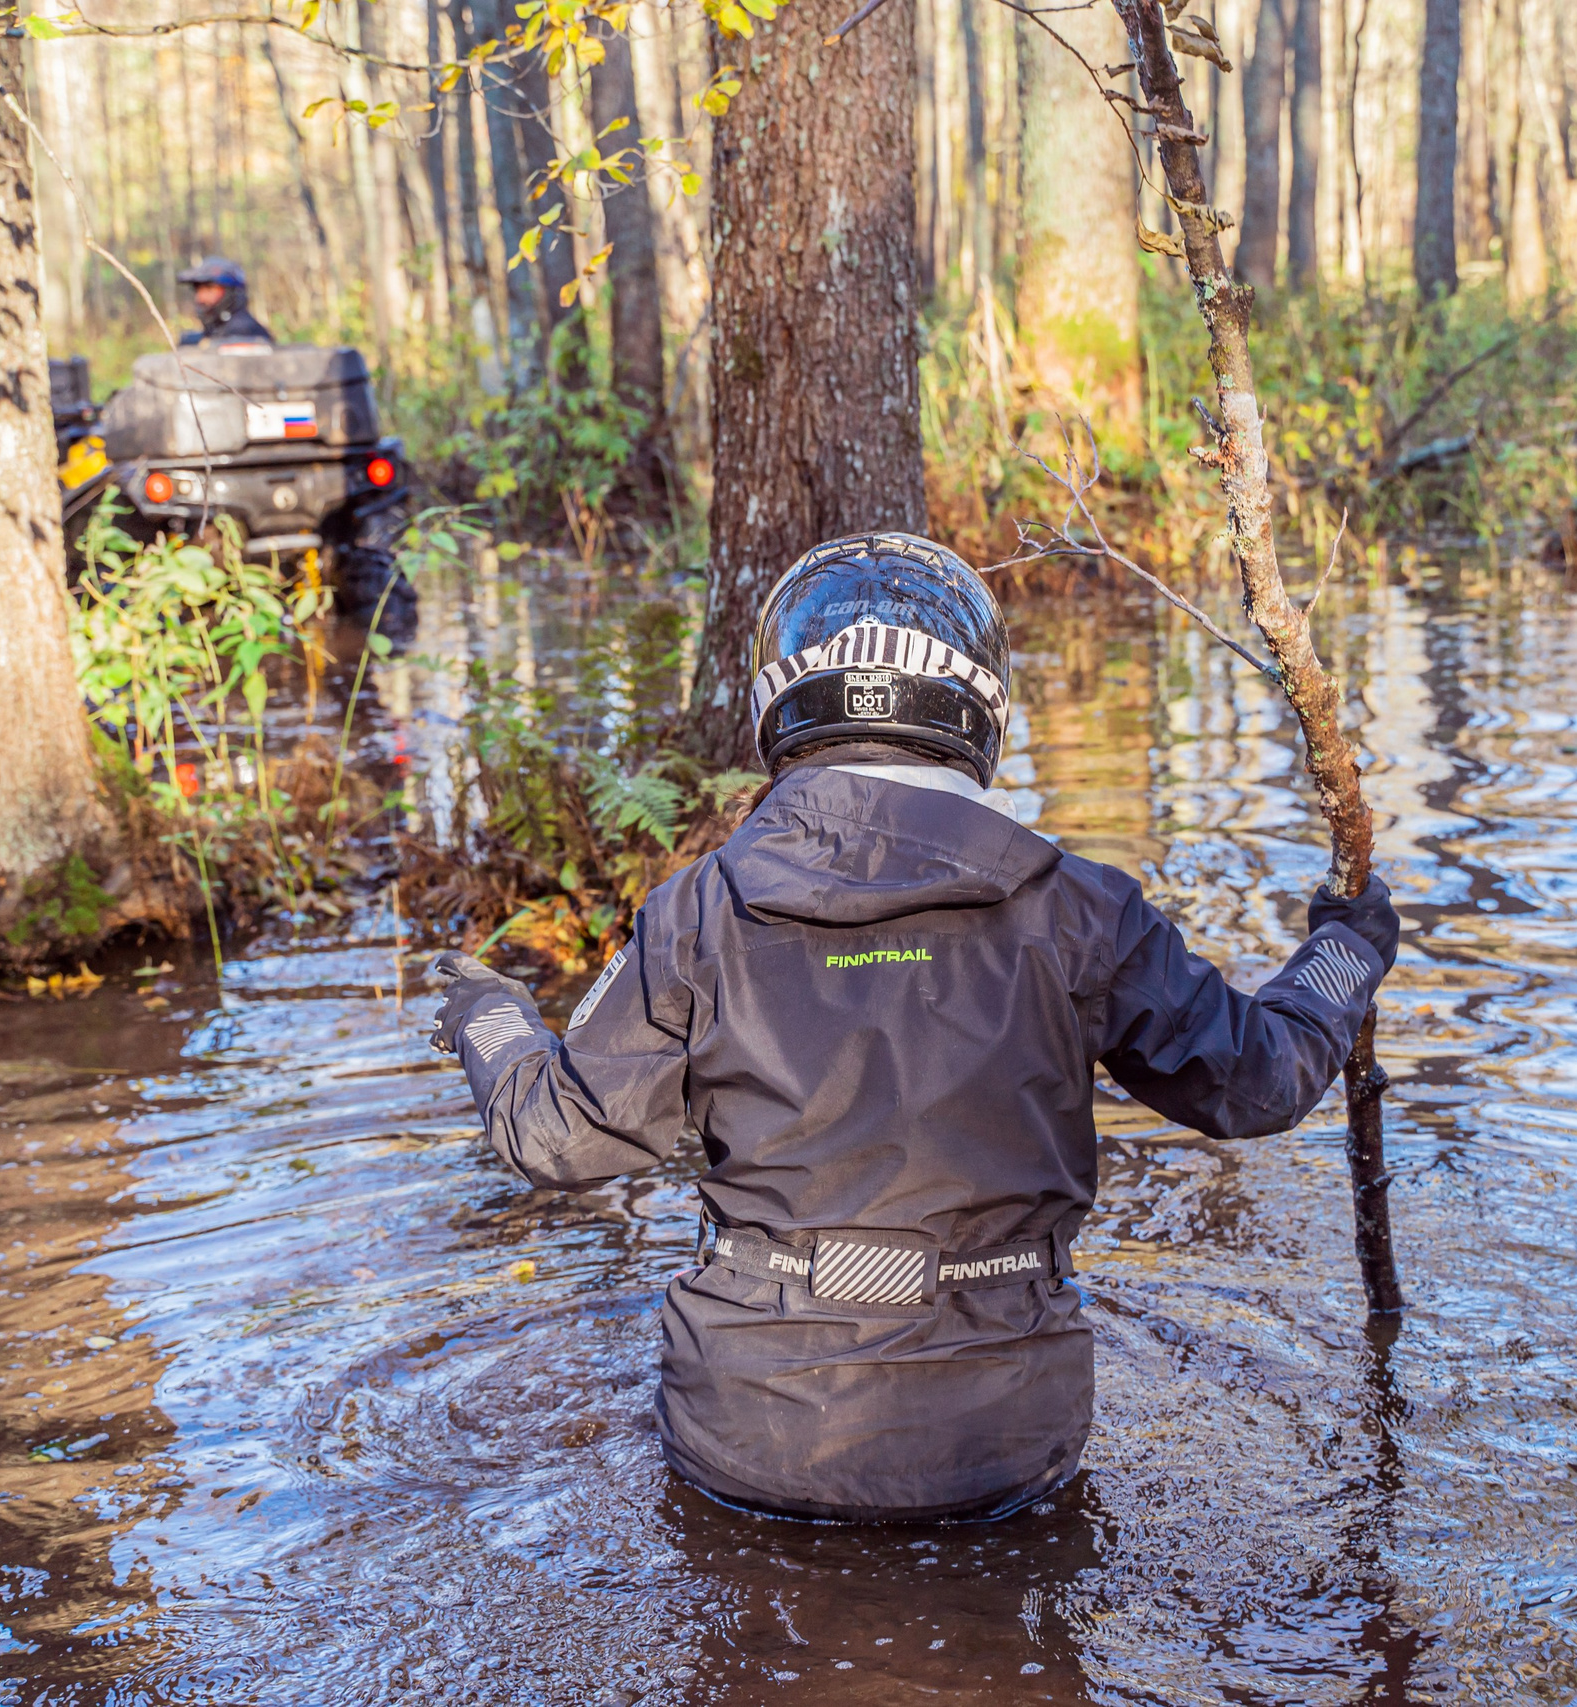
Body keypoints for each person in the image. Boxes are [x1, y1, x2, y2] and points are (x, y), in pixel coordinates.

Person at [428, 532, 1400, 1523]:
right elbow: (1260, 1082)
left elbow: (552, 1135)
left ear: (784, 702)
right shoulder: (1080, 909)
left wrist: (488, 1010)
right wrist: (1346, 951)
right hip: (1000, 1441)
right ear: (978, 707)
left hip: (752, 1435)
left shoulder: (698, 911)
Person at [176, 256, 272, 347]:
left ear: (231, 292)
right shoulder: (217, 330)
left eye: (209, 289)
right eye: (198, 290)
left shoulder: (247, 331)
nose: (200, 297)